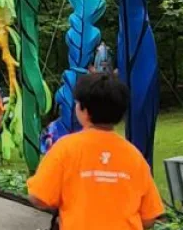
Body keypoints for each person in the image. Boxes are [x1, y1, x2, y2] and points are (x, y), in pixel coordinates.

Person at [27, 73, 163, 230]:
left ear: (83, 110)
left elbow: (38, 197)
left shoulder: (65, 149)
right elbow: (149, 218)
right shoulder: (134, 155)